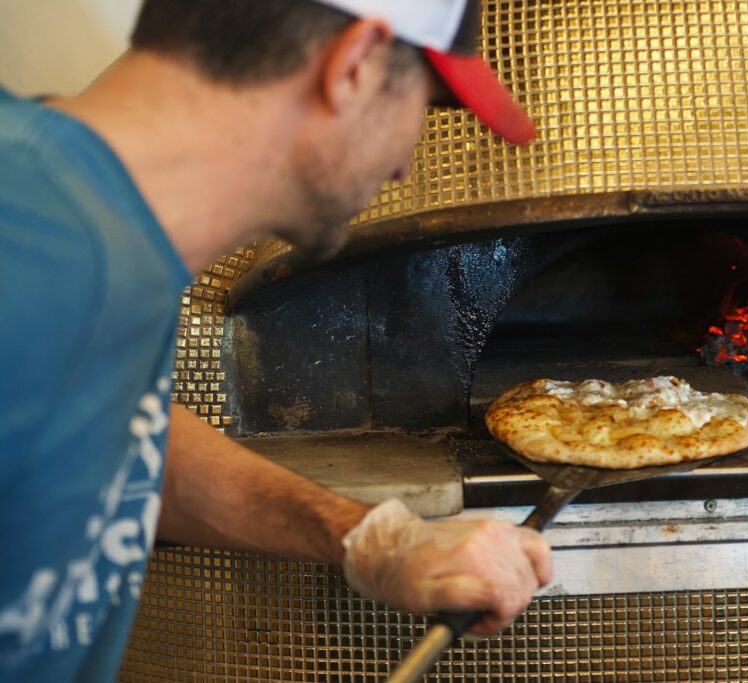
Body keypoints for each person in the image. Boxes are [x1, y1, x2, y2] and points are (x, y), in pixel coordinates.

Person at [0, 1, 553, 681]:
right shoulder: (27, 251)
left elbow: (115, 437)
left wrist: (368, 539)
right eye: (425, 106)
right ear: (354, 66)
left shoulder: (90, 230)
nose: (406, 168)